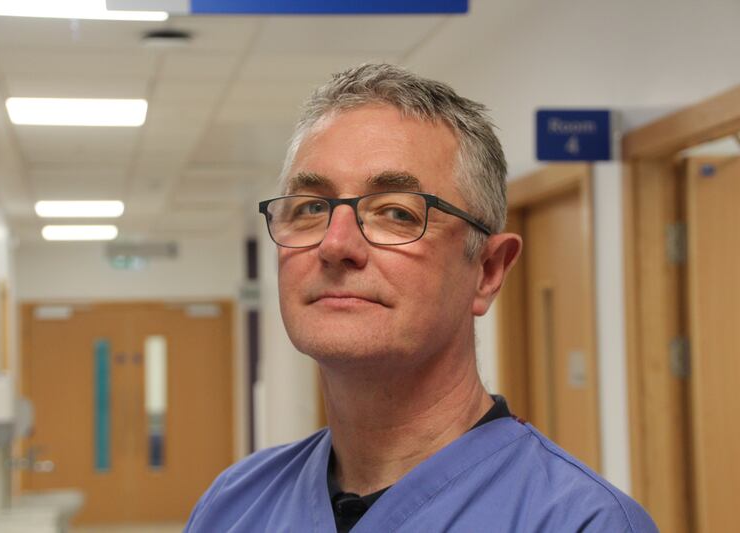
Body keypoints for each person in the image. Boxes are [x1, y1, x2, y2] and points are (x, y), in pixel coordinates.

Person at [185, 63, 657, 532]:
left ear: (488, 271)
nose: (335, 244)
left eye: (396, 213)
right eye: (311, 207)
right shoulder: (234, 506)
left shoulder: (579, 522)